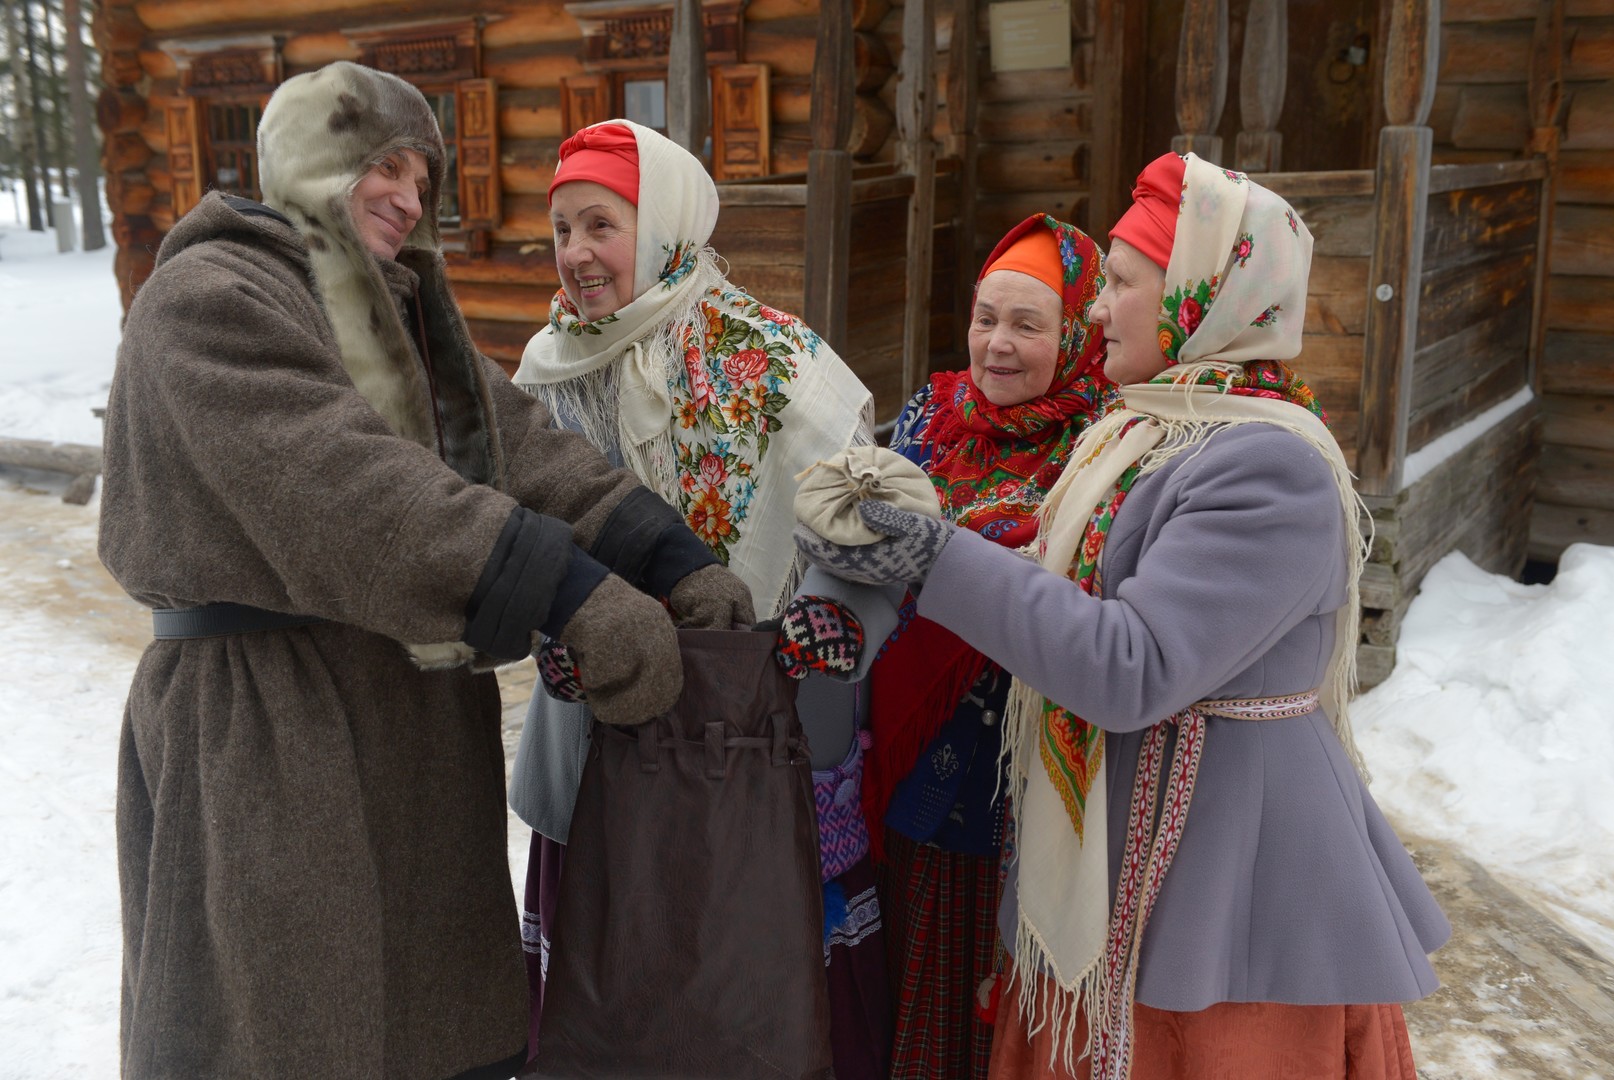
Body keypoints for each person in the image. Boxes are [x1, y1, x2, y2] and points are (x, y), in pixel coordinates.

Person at [99, 62, 752, 1080]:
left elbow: (523, 449)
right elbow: (345, 489)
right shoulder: (207, 297)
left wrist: (664, 559)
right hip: (270, 737)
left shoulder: (397, 311)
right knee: (290, 1035)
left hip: (406, 732)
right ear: (314, 163)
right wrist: (573, 596)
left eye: (421, 176)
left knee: (432, 1030)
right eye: (383, 167)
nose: (409, 197)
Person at [794, 152, 1451, 1079]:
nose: (1099, 307)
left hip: (1227, 885)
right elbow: (1068, 589)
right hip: (1120, 849)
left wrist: (934, 554)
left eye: (1124, 283)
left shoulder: (1270, 466)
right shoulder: (1148, 428)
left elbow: (1131, 665)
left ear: (1200, 296)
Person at [507, 119, 892, 1075]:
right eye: (560, 230)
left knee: (747, 999)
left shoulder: (776, 367)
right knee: (610, 995)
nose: (576, 254)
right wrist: (546, 624)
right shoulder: (542, 375)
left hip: (754, 748)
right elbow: (518, 534)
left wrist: (838, 620)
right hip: (599, 730)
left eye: (601, 224)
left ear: (666, 223)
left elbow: (871, 529)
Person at [838, 213, 1116, 1079]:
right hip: (896, 751)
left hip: (1017, 774)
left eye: (1028, 325)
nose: (997, 345)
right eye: (985, 316)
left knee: (985, 991)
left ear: (1075, 336)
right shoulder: (930, 413)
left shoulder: (1099, 446)